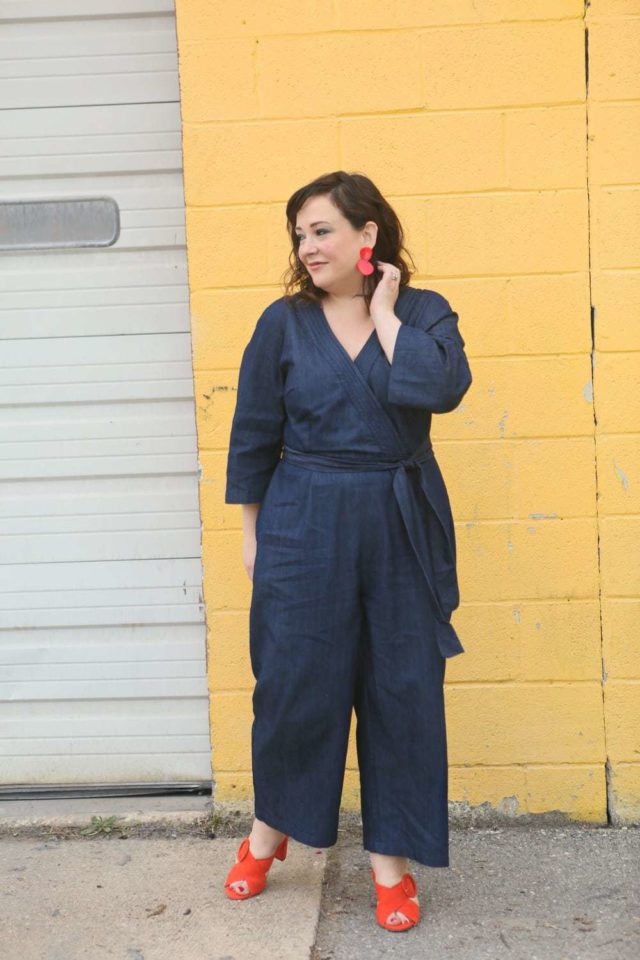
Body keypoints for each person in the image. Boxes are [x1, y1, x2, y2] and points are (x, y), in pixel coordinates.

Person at [223, 171, 473, 932]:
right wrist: (252, 533)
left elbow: (442, 386)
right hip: (304, 520)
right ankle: (270, 831)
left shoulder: (423, 313)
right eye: (300, 234)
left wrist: (385, 312)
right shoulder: (283, 322)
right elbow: (253, 431)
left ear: (367, 234)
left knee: (403, 690)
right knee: (295, 685)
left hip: (399, 521)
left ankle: (390, 865)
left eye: (322, 230)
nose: (307, 246)